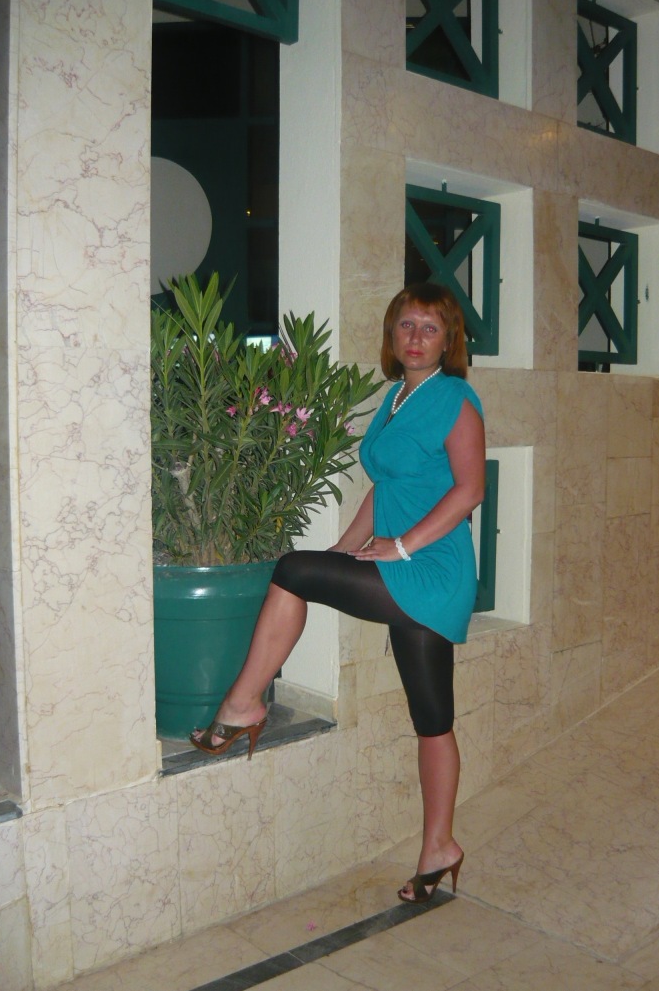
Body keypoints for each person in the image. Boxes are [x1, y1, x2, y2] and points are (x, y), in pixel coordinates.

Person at [191, 282, 486, 903]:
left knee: (292, 571)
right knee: (432, 718)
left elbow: (470, 490)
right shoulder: (395, 398)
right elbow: (385, 488)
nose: (415, 337)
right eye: (405, 325)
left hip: (433, 568)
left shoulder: (455, 399)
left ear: (449, 340)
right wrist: (342, 550)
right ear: (392, 335)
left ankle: (243, 706)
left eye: (429, 328)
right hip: (404, 561)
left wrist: (401, 547)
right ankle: (441, 847)